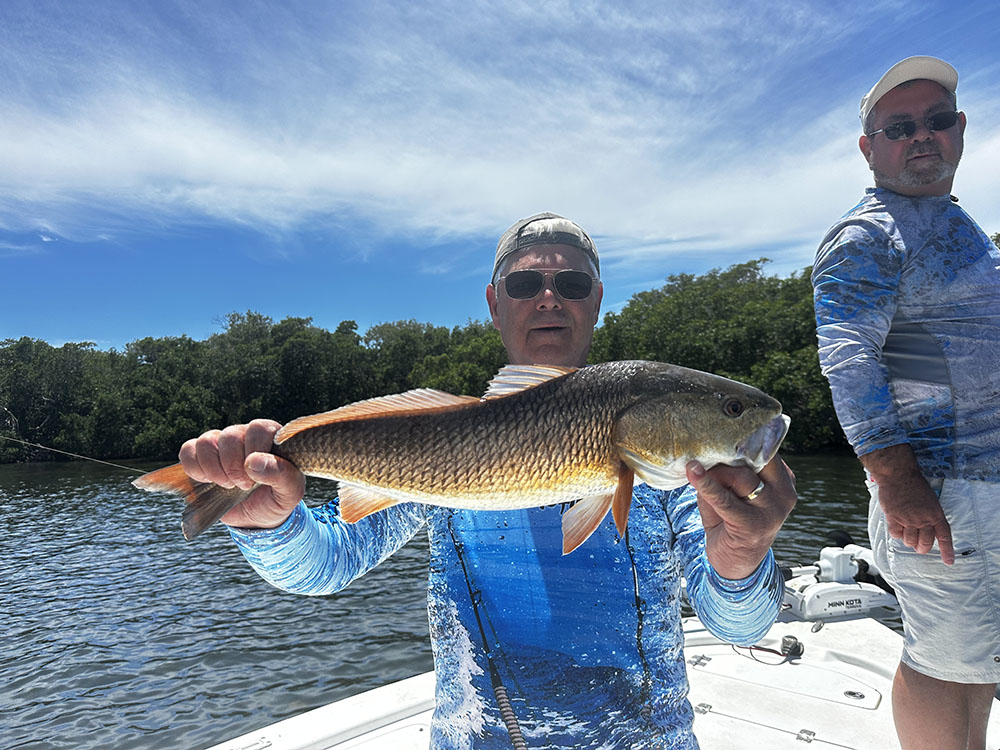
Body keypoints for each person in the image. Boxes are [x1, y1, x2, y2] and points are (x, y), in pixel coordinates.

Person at [181, 212, 797, 748]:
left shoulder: (683, 480)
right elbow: (324, 566)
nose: (549, 298)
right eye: (526, 285)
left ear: (597, 300)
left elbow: (739, 627)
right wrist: (272, 527)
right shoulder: (443, 446)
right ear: (495, 303)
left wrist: (745, 552)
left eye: (572, 284)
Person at [812, 57, 1000, 750]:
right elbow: (850, 361)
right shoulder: (867, 235)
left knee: (977, 662)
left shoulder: (956, 223)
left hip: (981, 487)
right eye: (900, 127)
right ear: (870, 148)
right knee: (943, 663)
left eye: (936, 120)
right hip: (941, 488)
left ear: (960, 130)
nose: (922, 135)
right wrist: (896, 479)